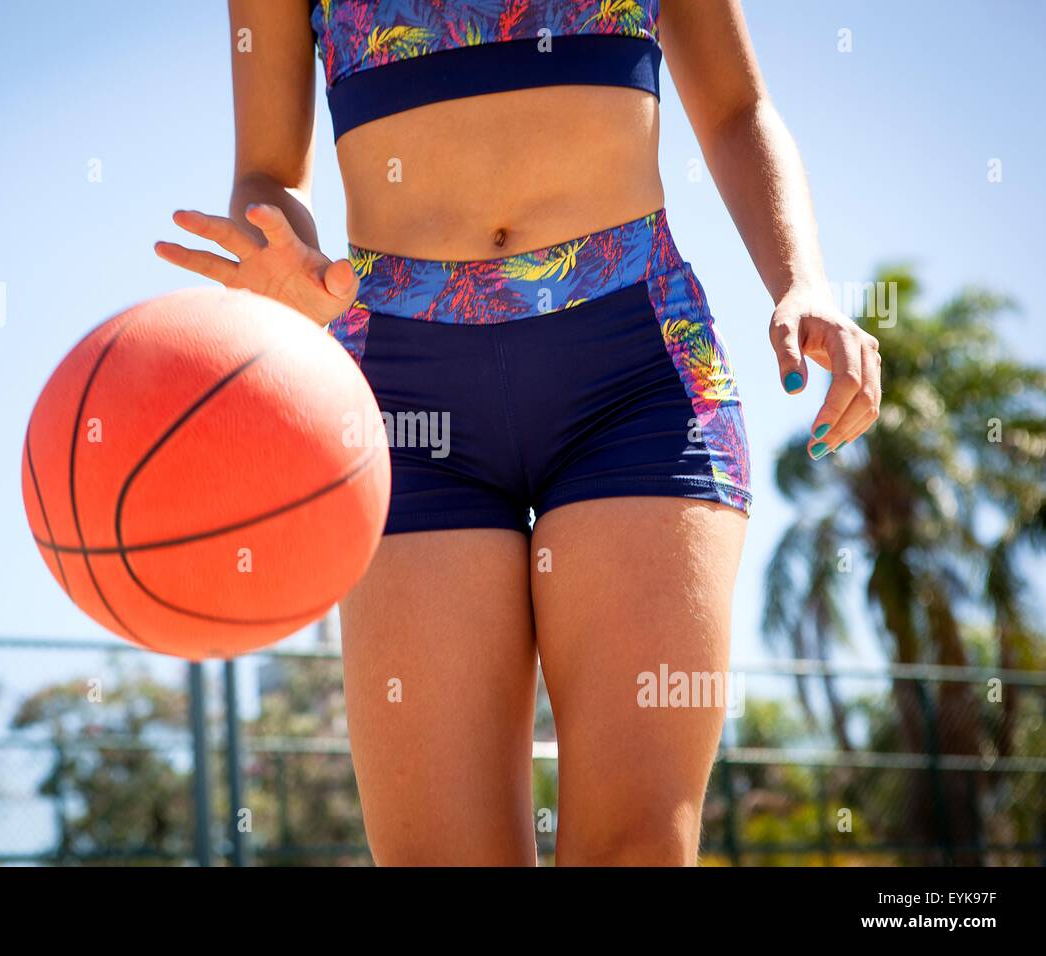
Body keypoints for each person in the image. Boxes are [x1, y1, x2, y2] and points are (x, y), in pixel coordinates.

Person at [157, 0, 881, 866]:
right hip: (399, 393)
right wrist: (288, 257)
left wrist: (802, 281)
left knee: (638, 848)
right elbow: (269, 171)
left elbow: (736, 108)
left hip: (635, 371)